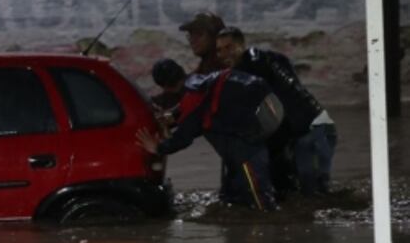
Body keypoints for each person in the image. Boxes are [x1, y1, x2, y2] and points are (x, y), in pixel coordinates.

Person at [215, 26, 336, 195]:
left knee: (313, 196)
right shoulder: (273, 59)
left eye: (229, 48)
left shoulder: (251, 66)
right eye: (219, 50)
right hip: (313, 128)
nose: (224, 54)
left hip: (310, 131)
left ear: (241, 45)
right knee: (305, 193)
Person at [136, 68, 278, 211]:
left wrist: (157, 148)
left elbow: (183, 137)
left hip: (245, 154)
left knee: (261, 205)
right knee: (232, 199)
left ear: (165, 87)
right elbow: (199, 109)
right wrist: (173, 115)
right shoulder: (207, 81)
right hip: (252, 141)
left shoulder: (193, 99)